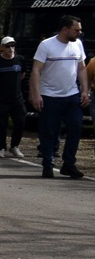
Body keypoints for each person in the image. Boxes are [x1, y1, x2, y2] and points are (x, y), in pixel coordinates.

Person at [29, 14, 89, 179]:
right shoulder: (46, 45)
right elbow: (36, 70)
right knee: (49, 131)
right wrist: (36, 94)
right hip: (50, 96)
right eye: (76, 30)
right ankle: (48, 164)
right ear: (65, 29)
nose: (79, 33)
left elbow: (82, 68)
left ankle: (69, 164)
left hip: (71, 95)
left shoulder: (78, 44)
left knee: (76, 127)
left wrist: (84, 90)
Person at [0, 36, 28, 158]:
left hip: (17, 98)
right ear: (2, 47)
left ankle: (14, 145)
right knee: (2, 124)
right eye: (7, 46)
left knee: (20, 122)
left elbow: (22, 74)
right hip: (1, 98)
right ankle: (1, 147)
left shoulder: (20, 59)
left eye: (12, 46)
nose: (10, 48)